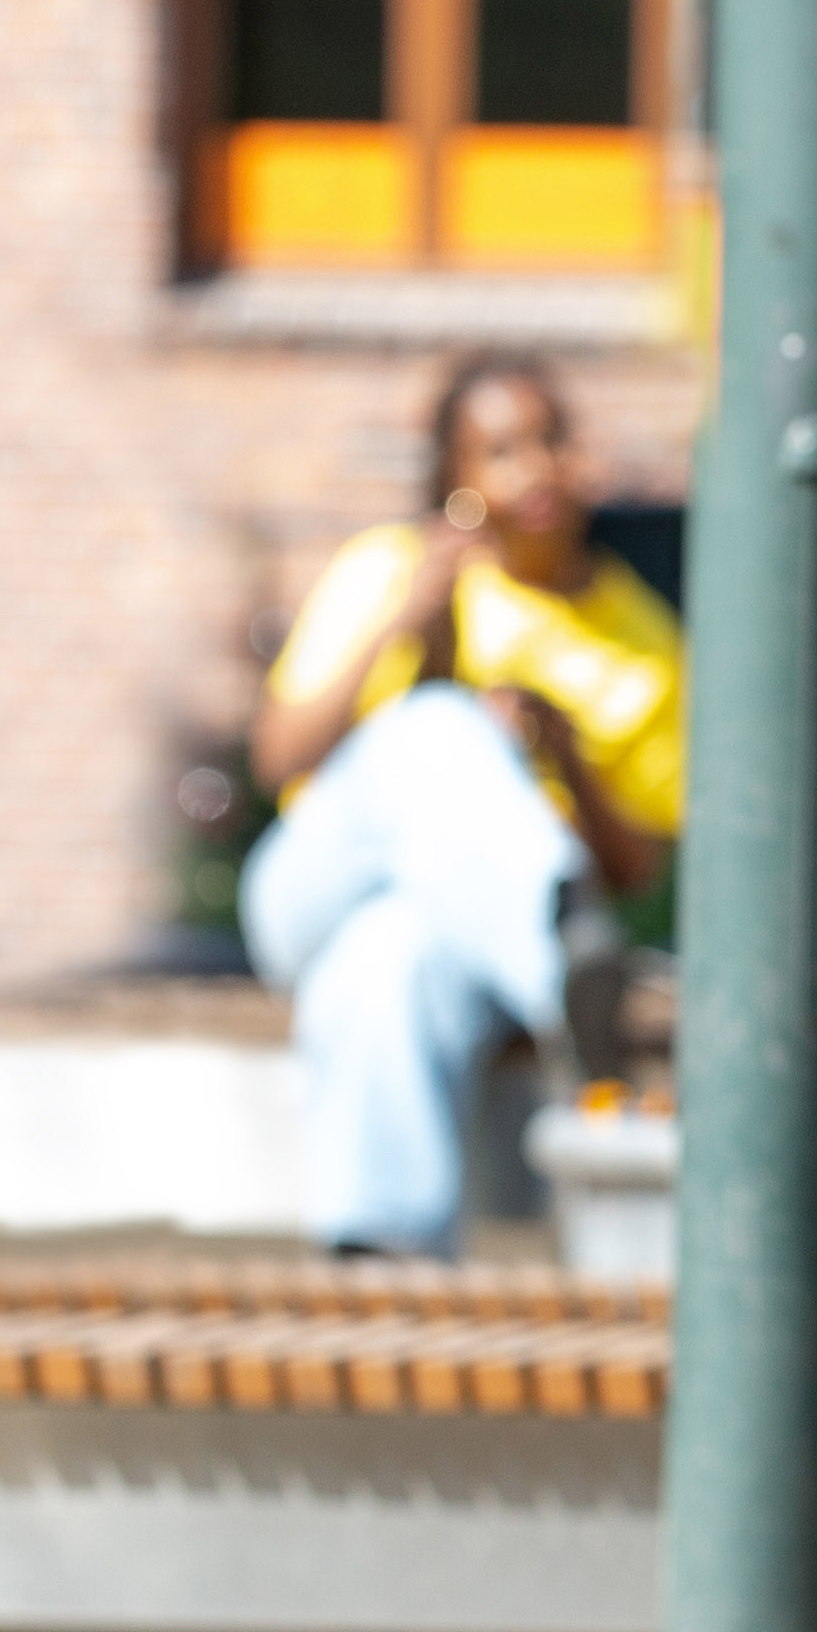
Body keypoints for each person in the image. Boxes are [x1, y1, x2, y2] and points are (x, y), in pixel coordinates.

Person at [245, 349, 681, 1258]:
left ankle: (385, 1257)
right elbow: (278, 756)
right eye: (501, 451)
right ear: (454, 481)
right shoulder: (389, 571)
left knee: (388, 965)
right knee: (439, 725)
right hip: (313, 885)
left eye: (552, 440)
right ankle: (561, 955)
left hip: (462, 937)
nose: (535, 471)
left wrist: (559, 748)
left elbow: (639, 864)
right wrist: (404, 627)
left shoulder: (640, 639)